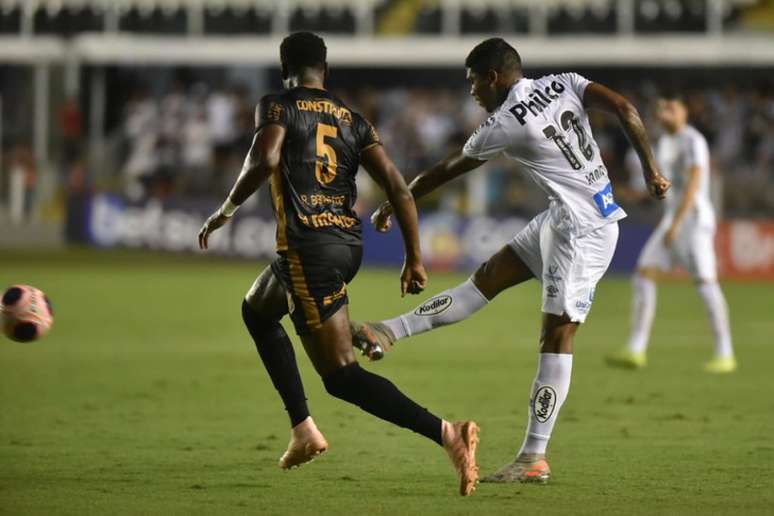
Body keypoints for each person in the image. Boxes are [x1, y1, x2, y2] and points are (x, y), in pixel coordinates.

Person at [349, 38, 671, 484]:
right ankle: (390, 330)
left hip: (581, 231)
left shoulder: (505, 122)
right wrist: (651, 169)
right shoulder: (566, 82)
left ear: (493, 77)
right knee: (487, 277)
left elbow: (445, 170)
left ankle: (533, 456)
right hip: (564, 217)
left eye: (474, 83)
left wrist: (391, 202)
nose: (473, 93)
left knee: (556, 335)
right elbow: (624, 107)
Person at [197, 32, 479, 496]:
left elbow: (266, 159)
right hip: (347, 245)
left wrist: (225, 210)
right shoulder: (354, 120)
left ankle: (449, 433)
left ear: (284, 67)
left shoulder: (278, 105)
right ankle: (304, 426)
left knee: (342, 377)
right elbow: (399, 187)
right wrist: (414, 257)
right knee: (258, 309)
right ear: (324, 71)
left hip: (309, 249)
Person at [608, 93, 736, 373]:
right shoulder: (665, 143)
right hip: (672, 220)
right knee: (643, 275)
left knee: (705, 282)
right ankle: (636, 349)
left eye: (672, 108)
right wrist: (640, 193)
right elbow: (669, 186)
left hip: (695, 222)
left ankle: (725, 353)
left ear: (684, 113)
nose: (666, 112)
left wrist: (677, 223)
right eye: (662, 108)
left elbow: (693, 185)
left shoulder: (694, 141)